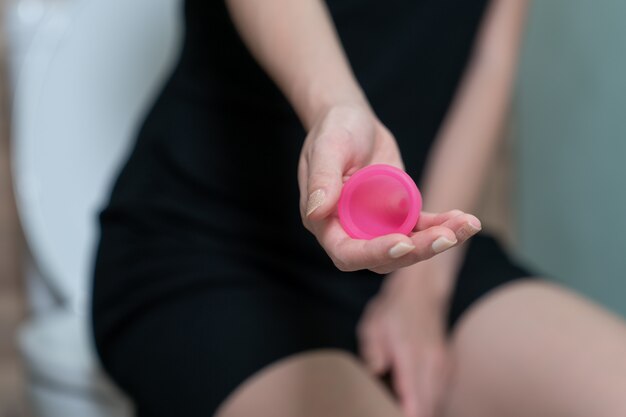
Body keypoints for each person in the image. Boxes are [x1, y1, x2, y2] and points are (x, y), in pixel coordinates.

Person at [91, 0, 626, 416]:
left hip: (404, 244)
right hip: (209, 244)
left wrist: (422, 291)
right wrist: (336, 106)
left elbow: (491, 57)